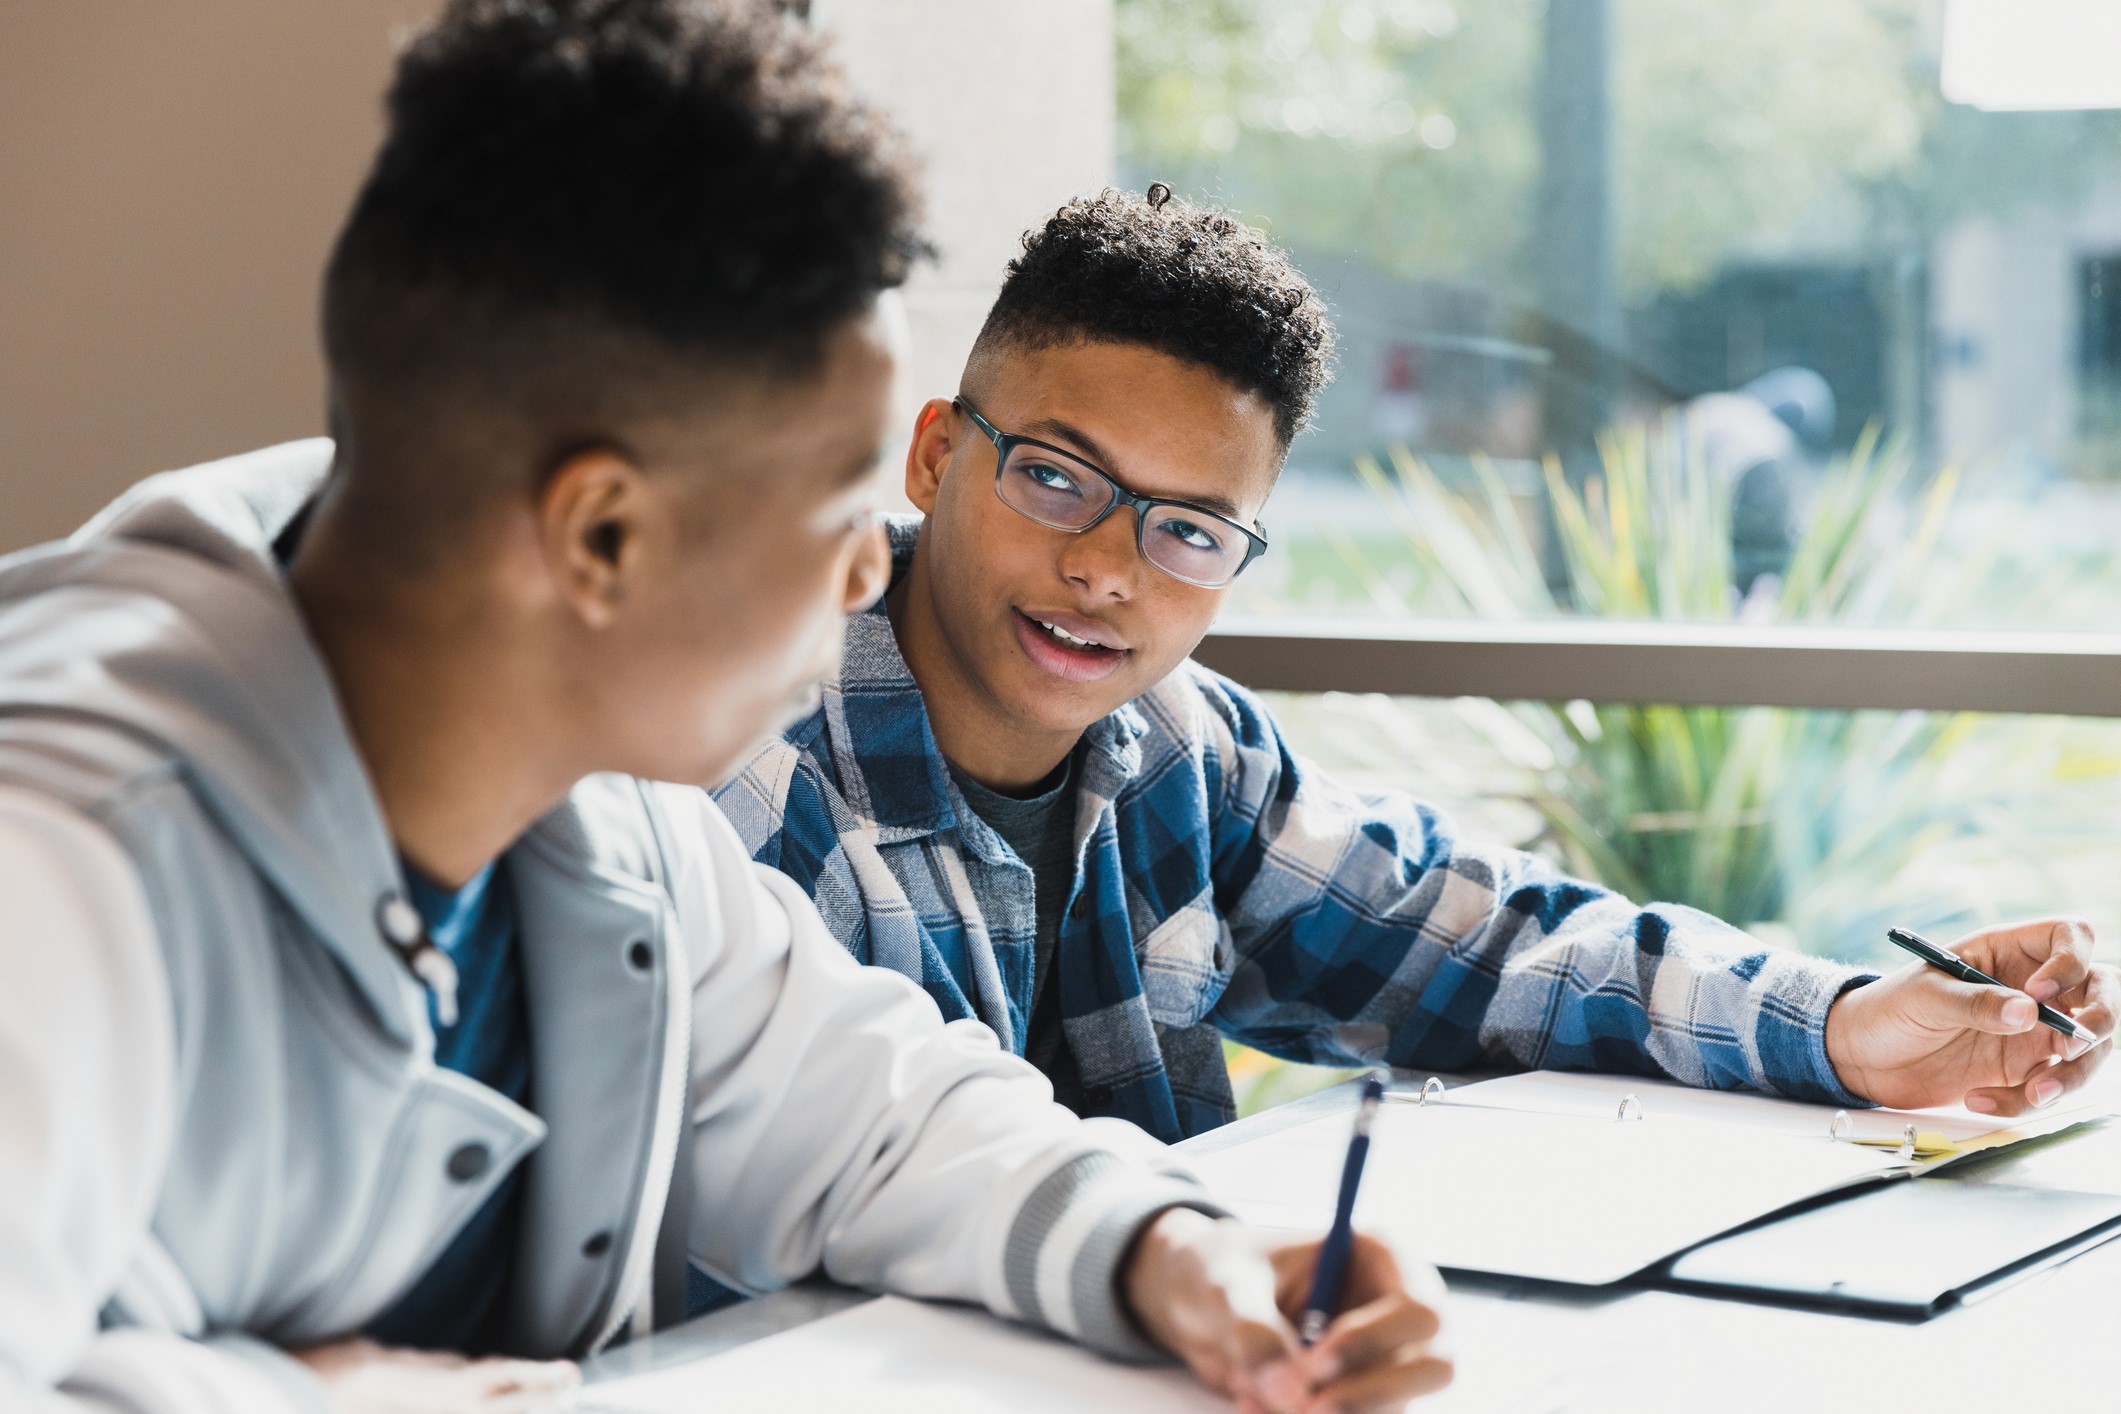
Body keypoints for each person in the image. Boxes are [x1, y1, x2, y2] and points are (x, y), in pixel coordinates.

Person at [0, 6, 1449, 1412]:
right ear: (602, 540)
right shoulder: (56, 863)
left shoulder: (594, 801)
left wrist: (1176, 1249)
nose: (866, 565)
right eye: (829, 511)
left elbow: (876, 1113)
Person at [714, 187, 2118, 1148]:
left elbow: (1497, 948)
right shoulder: (748, 785)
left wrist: (1852, 1025)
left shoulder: (1183, 753)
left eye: (1190, 530)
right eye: (1058, 478)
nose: (1109, 570)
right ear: (937, 456)